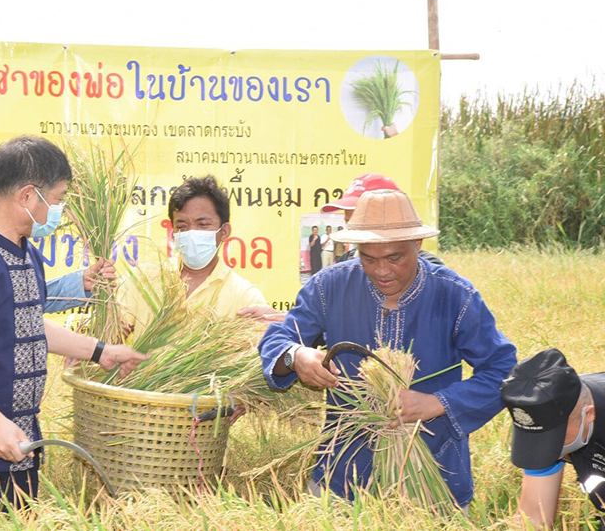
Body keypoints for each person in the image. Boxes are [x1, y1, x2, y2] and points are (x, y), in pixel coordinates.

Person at [0, 136, 148, 507]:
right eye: (58, 198)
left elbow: (25, 323)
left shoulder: (26, 252)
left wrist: (100, 351)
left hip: (18, 446)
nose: (60, 209)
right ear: (27, 195)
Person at [258, 189, 517, 509]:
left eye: (395, 258)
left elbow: (503, 369)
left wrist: (437, 402)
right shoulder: (329, 287)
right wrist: (295, 355)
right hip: (342, 474)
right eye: (368, 258)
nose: (382, 271)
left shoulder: (454, 295)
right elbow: (278, 338)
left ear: (417, 244)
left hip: (435, 476)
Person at [121, 175, 271, 336]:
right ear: (173, 233)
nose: (192, 233)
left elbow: (266, 345)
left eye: (203, 224)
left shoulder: (244, 297)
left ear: (224, 232)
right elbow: (112, 339)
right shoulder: (143, 279)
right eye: (182, 226)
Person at [501, 348, 605, 530]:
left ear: (588, 414)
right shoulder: (550, 408)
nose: (545, 448)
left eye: (554, 437)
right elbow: (533, 518)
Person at [322, 173, 444, 266]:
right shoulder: (345, 265)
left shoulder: (429, 270)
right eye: (349, 223)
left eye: (362, 224)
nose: (353, 231)